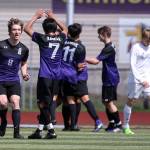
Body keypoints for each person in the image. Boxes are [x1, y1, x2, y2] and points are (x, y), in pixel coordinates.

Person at [24, 9, 67, 139]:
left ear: (44, 29)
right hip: (57, 77)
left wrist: (36, 16)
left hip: (45, 76)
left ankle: (51, 130)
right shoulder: (60, 38)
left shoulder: (42, 38)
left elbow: (26, 28)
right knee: (47, 104)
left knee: (42, 104)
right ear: (55, 27)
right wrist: (53, 17)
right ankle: (39, 130)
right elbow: (65, 29)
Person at [61, 23, 103, 132]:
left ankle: (95, 122)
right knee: (77, 99)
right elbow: (80, 66)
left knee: (74, 99)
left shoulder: (63, 42)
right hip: (78, 75)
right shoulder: (80, 47)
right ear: (80, 33)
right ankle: (72, 125)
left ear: (69, 33)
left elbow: (78, 65)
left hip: (70, 75)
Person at [86, 25, 122, 132]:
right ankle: (112, 123)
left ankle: (118, 125)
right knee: (105, 102)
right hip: (109, 77)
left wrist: (82, 58)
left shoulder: (108, 48)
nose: (98, 37)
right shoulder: (109, 46)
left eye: (99, 35)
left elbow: (96, 61)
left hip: (110, 78)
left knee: (109, 102)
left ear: (105, 34)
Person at [0, 18, 29, 139]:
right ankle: (4, 122)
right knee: (3, 103)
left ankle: (16, 133)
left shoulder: (24, 49)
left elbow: (23, 63)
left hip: (14, 80)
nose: (17, 32)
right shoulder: (1, 45)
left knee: (16, 102)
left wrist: (24, 73)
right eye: (14, 29)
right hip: (0, 80)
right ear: (9, 31)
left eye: (19, 30)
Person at [123, 28, 150, 135]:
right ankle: (125, 126)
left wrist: (147, 79)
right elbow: (132, 65)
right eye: (148, 39)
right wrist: (140, 79)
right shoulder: (135, 47)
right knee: (131, 100)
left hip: (147, 79)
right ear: (143, 38)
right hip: (135, 79)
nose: (149, 41)